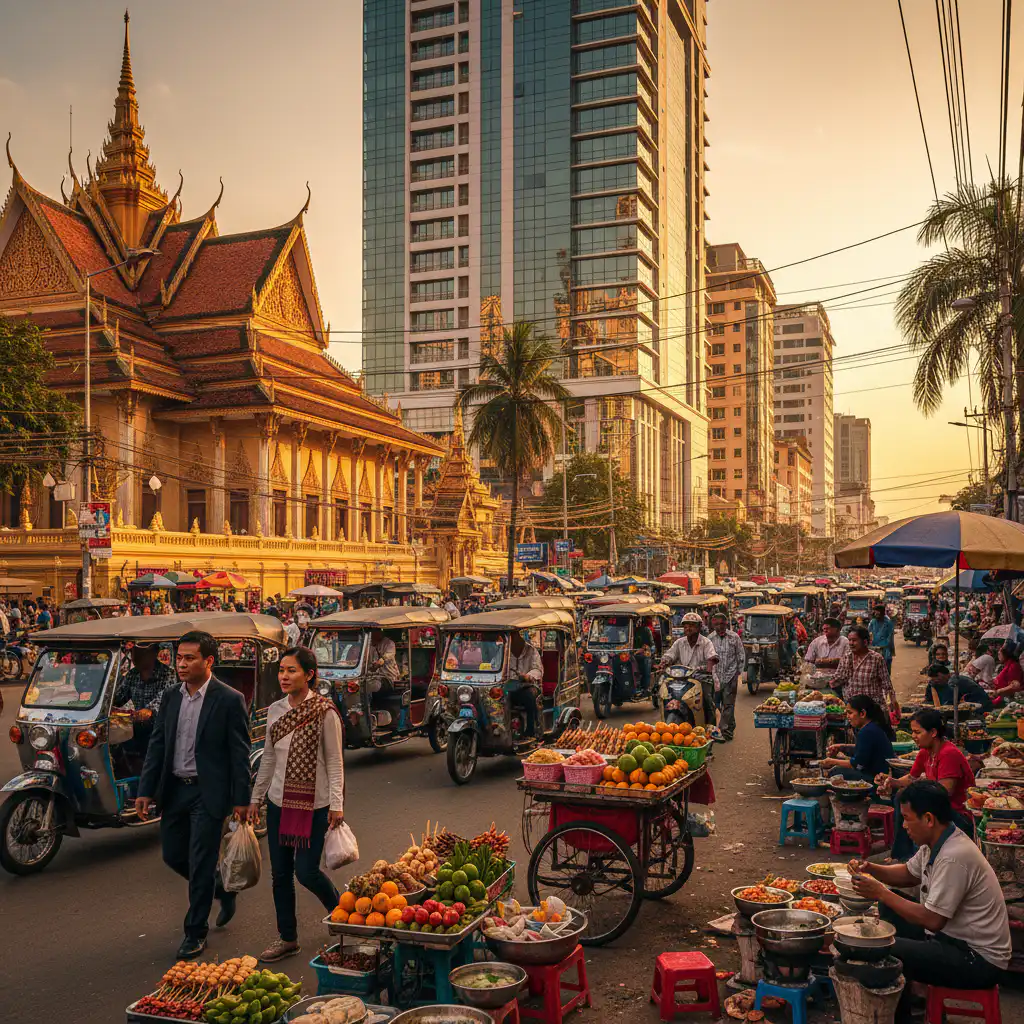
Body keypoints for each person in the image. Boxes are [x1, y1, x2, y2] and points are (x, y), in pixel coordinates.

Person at [850, 781, 1010, 1024]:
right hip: (953, 938)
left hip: (978, 960)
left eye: (906, 818)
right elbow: (908, 874)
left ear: (928, 819)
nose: (903, 825)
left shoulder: (954, 857)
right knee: (889, 911)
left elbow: (933, 920)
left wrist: (880, 892)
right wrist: (871, 869)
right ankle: (909, 994)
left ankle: (899, 1016)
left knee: (885, 949)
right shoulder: (937, 842)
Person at [135, 630, 253, 959]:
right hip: (175, 790)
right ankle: (221, 889)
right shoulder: (172, 696)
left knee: (201, 861)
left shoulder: (229, 699)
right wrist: (145, 790)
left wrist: (242, 800)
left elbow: (239, 754)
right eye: (179, 658)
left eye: (189, 658)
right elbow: (157, 744)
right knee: (173, 855)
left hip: (208, 792)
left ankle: (195, 932)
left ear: (208, 661)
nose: (181, 664)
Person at [249, 647, 344, 962]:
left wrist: (336, 804)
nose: (284, 676)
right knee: (280, 875)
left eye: (291, 670)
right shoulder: (275, 710)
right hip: (279, 803)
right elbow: (269, 759)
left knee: (305, 872)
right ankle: (287, 937)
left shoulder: (325, 712)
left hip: (314, 805)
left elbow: (334, 761)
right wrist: (256, 798)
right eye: (281, 670)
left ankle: (342, 913)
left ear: (310, 674)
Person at [877, 707, 976, 860]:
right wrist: (892, 782)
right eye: (913, 732)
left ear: (933, 733)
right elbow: (912, 777)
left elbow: (945, 791)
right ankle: (902, 855)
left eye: (917, 732)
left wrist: (918, 788)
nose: (913, 736)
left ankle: (918, 858)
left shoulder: (948, 753)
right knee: (901, 795)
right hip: (940, 807)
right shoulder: (925, 751)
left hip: (958, 814)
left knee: (917, 807)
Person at [660, 612, 719, 727]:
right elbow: (670, 655)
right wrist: (664, 662)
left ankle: (711, 729)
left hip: (701, 677)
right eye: (686, 626)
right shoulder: (679, 642)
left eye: (692, 625)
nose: (688, 628)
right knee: (666, 693)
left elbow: (712, 656)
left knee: (707, 700)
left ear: (699, 627)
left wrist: (709, 665)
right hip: (681, 677)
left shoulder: (706, 642)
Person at [819, 694, 895, 781]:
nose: (847, 716)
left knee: (836, 771)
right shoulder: (872, 727)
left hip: (876, 778)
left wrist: (832, 761)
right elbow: (862, 749)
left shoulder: (867, 731)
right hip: (877, 773)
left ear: (862, 713)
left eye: (850, 713)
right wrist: (841, 747)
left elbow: (857, 764)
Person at [831, 624, 897, 709]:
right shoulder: (846, 657)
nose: (851, 643)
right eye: (849, 640)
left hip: (872, 707)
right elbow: (837, 678)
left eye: (854, 640)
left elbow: (887, 685)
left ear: (865, 642)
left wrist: (893, 702)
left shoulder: (876, 659)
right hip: (852, 708)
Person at [708, 611, 745, 742]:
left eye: (721, 624)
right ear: (713, 625)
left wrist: (738, 673)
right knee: (715, 705)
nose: (719, 627)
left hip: (731, 676)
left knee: (728, 704)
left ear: (726, 624)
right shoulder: (710, 639)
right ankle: (730, 725)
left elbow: (741, 655)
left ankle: (725, 731)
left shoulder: (734, 637)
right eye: (716, 624)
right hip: (715, 677)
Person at [507, 629, 543, 740]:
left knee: (529, 697)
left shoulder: (531, 651)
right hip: (510, 684)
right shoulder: (505, 651)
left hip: (528, 685)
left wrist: (528, 676)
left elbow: (538, 669)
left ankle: (531, 729)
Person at [925, 662, 993, 712]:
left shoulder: (953, 682)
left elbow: (949, 705)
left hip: (982, 708)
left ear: (941, 675)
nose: (937, 682)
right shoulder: (954, 677)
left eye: (937, 680)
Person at [869, 602, 896, 676]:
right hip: (874, 648)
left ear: (882, 612)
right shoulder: (873, 622)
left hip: (885, 649)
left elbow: (890, 637)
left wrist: (887, 647)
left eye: (877, 612)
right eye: (875, 612)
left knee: (886, 669)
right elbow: (869, 633)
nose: (875, 613)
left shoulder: (888, 623)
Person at [633, 616, 656, 697]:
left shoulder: (646, 630)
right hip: (631, 654)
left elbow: (650, 645)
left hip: (645, 652)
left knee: (646, 661)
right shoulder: (628, 629)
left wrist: (641, 650)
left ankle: (645, 688)